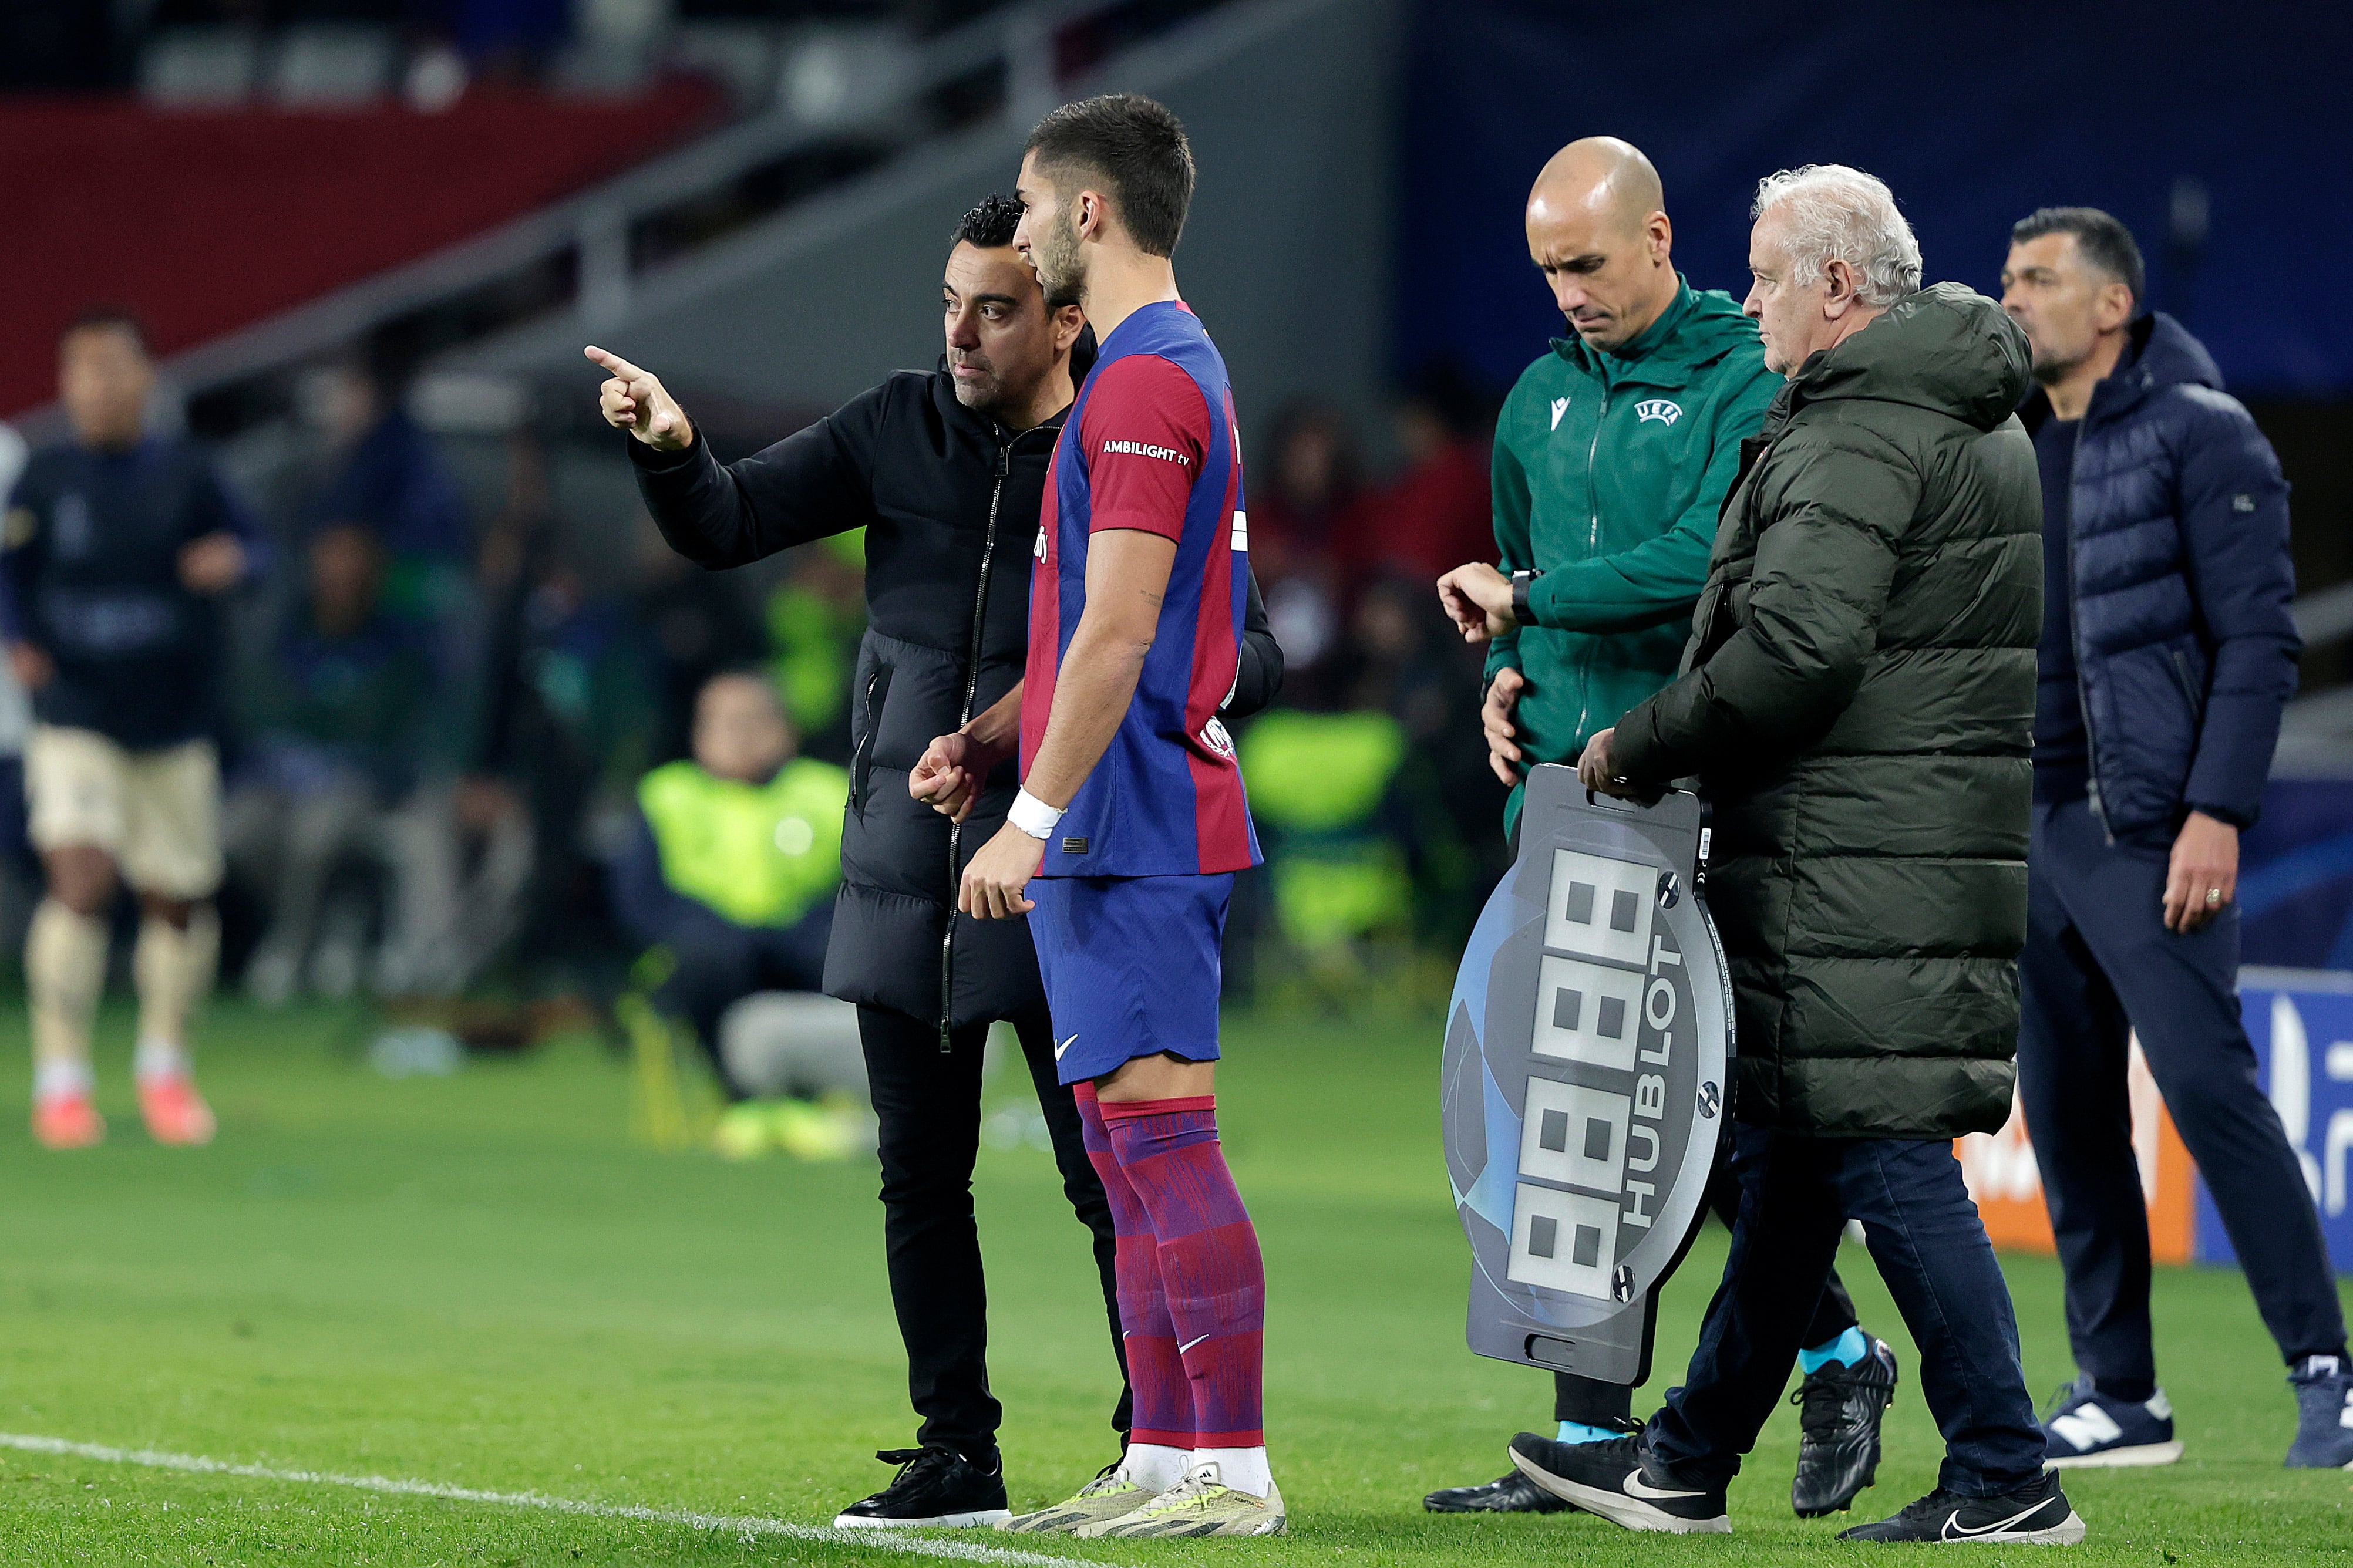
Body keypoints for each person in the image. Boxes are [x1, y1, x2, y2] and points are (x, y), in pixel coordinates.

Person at [591, 191, 1284, 1530]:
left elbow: (1245, 648)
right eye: (950, 303)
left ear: (1066, 318)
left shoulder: (1129, 433)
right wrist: (673, 450)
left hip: (1062, 855)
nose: (962, 334)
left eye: (996, 308)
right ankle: (954, 1448)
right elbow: (724, 521)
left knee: (1108, 1170)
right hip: (903, 857)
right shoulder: (895, 423)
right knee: (920, 1168)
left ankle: (1156, 1446)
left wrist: (1138, 689)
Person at [1526, 165, 2086, 1545]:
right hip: (1894, 848)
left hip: (1853, 857)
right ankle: (1687, 1457)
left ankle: (2006, 1472)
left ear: (1837, 285)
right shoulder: (1949, 413)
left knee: (1882, 1157)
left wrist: (1641, 740)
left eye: (1771, 275)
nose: (1753, 301)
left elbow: (1794, 649)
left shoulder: (1857, 426)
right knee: (1786, 1174)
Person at [1426, 137, 1895, 1521]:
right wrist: (1508, 679)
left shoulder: (1741, 377)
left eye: (1585, 261)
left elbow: (1708, 557)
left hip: (1694, 790)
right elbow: (1525, 583)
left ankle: (1836, 1347)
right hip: (1559, 803)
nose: (1566, 290)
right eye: (1545, 269)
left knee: (1686, 1122)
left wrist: (1533, 606)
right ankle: (1588, 1430)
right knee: (1569, 1118)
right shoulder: (1531, 405)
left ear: (1656, 237)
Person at [949, 92, 1283, 1540]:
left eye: (1028, 210)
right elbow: (1078, 621)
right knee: (1117, 1142)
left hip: (1137, 811)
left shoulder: (1146, 379)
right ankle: (1160, 1453)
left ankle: (1235, 1464)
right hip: (1106, 807)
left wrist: (1031, 811)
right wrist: (992, 739)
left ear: (1089, 213)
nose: (1017, 238)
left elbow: (1123, 629)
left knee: (1162, 1135)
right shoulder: (1144, 373)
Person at [1999, 208, 2351, 1469]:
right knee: (2066, 1109)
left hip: (2145, 829)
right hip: (2028, 828)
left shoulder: (2200, 435)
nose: (2012, 299)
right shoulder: (2012, 441)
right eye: (2005, 279)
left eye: (2036, 279)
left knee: (2205, 1090)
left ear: (2110, 305)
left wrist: (2213, 814)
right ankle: (2118, 1394)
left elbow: (2256, 643)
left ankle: (2325, 1369)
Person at [0, 308, 260, 1151]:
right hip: (77, 713)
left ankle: (163, 1065)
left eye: (114, 368)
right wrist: (18, 640)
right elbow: (12, 573)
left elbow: (259, 550)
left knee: (176, 896)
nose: (98, 387)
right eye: (82, 370)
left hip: (173, 717)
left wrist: (235, 562)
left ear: (146, 377)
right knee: (81, 876)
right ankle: (62, 1079)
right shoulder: (43, 477)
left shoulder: (190, 473)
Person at [611, 670, 856, 1159]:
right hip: (708, 954)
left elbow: (855, 885)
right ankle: (744, 1100)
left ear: (786, 729)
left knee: (851, 956)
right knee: (711, 958)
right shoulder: (666, 795)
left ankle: (810, 1100)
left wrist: (788, 933)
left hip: (801, 948)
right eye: (722, 723)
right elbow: (639, 901)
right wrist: (725, 933)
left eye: (752, 721)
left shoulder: (827, 792)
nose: (739, 736)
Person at [226, 521, 436, 1003]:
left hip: (359, 790)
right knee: (235, 831)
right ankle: (331, 922)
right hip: (281, 785)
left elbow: (391, 733)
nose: (341, 575)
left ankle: (289, 945)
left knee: (315, 832)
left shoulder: (397, 644)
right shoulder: (289, 635)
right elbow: (264, 715)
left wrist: (334, 746)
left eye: (353, 563)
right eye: (331, 562)